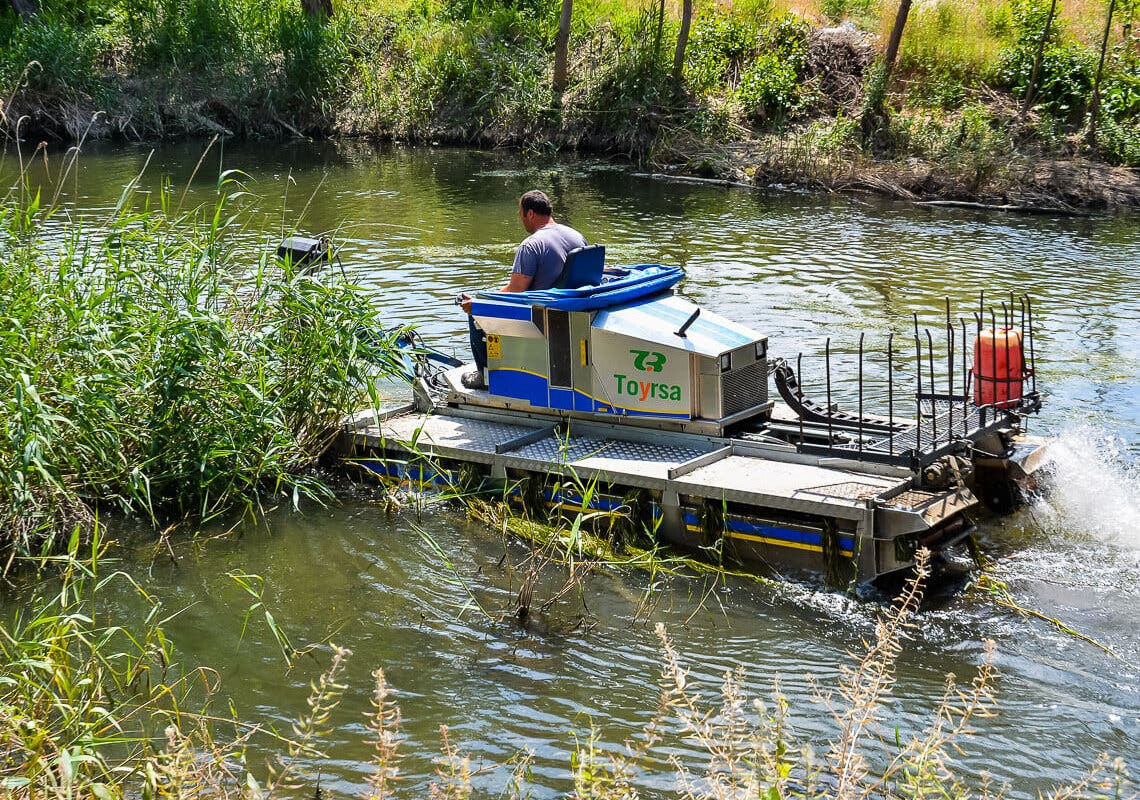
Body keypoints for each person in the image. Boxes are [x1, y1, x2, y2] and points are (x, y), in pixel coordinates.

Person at [459, 190, 587, 389]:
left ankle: (485, 377)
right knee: (480, 303)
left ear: (530, 214)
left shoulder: (531, 245)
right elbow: (514, 287)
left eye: (520, 215)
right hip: (571, 311)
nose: (521, 221)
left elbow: (516, 295)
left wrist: (479, 306)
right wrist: (484, 298)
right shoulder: (575, 236)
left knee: (475, 315)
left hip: (541, 317)